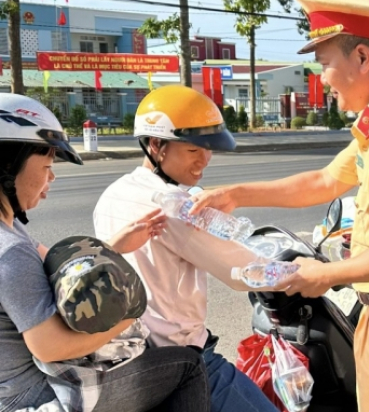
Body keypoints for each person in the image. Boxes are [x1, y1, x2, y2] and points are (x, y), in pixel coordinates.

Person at [189, 0, 369, 410]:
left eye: (324, 63)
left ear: (361, 57)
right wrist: (236, 194)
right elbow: (326, 180)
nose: (322, 79)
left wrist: (323, 275)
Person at [0, 93, 210, 412]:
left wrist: (116, 246)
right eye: (46, 165)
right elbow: (49, 346)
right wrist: (130, 315)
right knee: (187, 366)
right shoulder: (8, 249)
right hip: (35, 398)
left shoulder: (11, 229)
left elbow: (55, 264)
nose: (51, 177)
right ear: (8, 166)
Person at [92, 85, 279, 412]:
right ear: (156, 146)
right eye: (194, 151)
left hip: (131, 366)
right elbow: (242, 272)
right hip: (185, 363)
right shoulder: (174, 205)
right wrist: (305, 272)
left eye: (209, 149)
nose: (204, 160)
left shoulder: (112, 193)